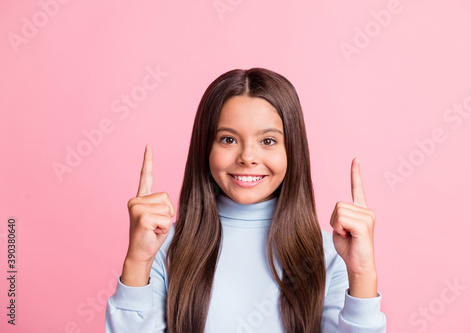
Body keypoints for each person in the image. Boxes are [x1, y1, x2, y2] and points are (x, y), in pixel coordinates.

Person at [105, 68, 387, 332]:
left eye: (268, 141)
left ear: (292, 150)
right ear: (206, 148)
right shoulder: (163, 247)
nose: (247, 157)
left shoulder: (331, 255)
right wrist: (137, 261)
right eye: (228, 139)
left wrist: (362, 273)